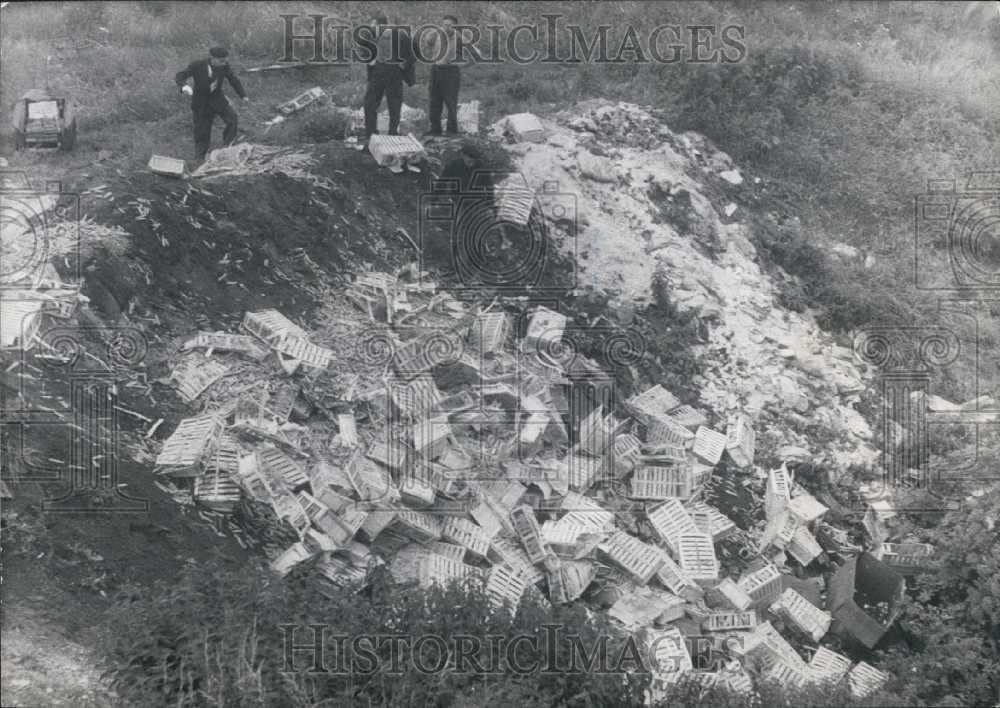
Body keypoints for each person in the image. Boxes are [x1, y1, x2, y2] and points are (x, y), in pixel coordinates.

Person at [175, 47, 248, 161]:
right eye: (221, 61)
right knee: (202, 132)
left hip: (218, 99)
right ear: (212, 58)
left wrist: (243, 95)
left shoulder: (224, 66)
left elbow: (233, 80)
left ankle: (227, 147)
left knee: (232, 119)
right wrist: (184, 86)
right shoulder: (197, 65)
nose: (223, 63)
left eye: (225, 60)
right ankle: (199, 158)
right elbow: (180, 75)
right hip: (201, 102)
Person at [362, 11, 415, 139]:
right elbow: (367, 54)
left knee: (394, 104)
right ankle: (371, 134)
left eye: (373, 25)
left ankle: (393, 134)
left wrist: (402, 65)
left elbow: (412, 54)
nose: (371, 28)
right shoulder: (372, 37)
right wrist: (371, 63)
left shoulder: (399, 34)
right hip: (377, 72)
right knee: (369, 103)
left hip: (394, 72)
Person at [425, 14, 467, 136]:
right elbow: (428, 43)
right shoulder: (437, 34)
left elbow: (475, 53)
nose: (446, 27)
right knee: (434, 100)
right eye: (444, 25)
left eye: (449, 25)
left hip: (450, 71)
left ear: (455, 26)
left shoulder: (459, 37)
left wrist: (462, 64)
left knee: (450, 101)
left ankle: (451, 130)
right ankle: (435, 129)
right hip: (436, 69)